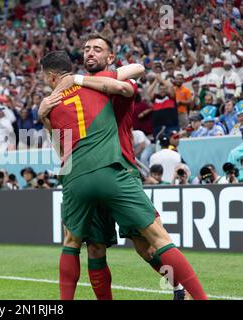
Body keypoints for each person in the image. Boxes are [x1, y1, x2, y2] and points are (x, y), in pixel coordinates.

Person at [38, 50, 206, 300]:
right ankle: (190, 293)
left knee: (99, 245)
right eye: (87, 49)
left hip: (96, 174)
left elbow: (61, 151)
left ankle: (177, 287)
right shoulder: (96, 85)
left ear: (51, 76)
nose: (90, 53)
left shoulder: (67, 96)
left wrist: (47, 113)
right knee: (128, 243)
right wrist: (70, 89)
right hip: (107, 171)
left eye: (96, 48)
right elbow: (137, 70)